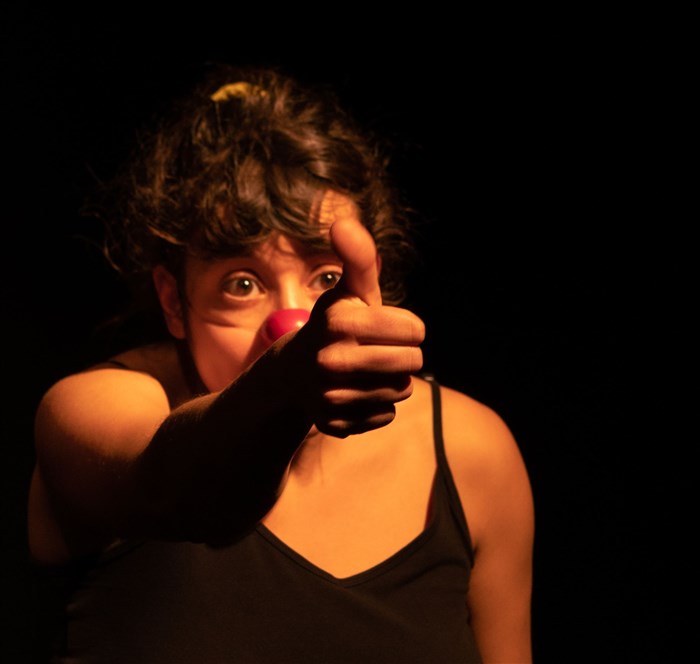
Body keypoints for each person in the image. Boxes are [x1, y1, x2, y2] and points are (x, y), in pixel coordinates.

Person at [28, 65, 534, 663]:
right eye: (242, 284)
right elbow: (179, 491)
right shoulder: (93, 409)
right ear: (174, 301)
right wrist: (282, 386)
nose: (291, 323)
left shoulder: (474, 453)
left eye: (326, 277)